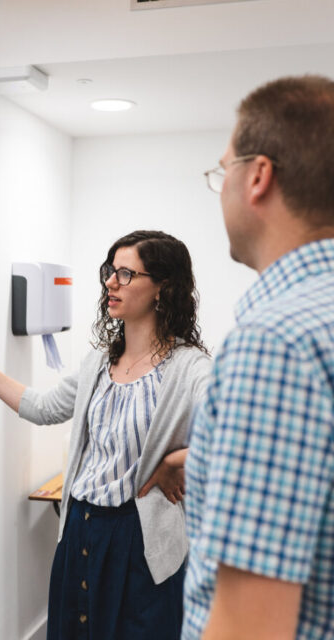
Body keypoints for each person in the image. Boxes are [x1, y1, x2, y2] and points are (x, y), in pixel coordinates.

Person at [0, 230, 210, 640]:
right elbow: (42, 407)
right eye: (109, 271)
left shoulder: (190, 368)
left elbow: (246, 434)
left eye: (125, 273)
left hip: (140, 542)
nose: (110, 283)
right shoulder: (100, 362)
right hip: (80, 529)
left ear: (163, 287)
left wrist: (177, 461)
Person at [183, 75, 334, 640]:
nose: (219, 187)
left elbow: (250, 627)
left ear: (258, 177)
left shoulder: (275, 343)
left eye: (223, 170)